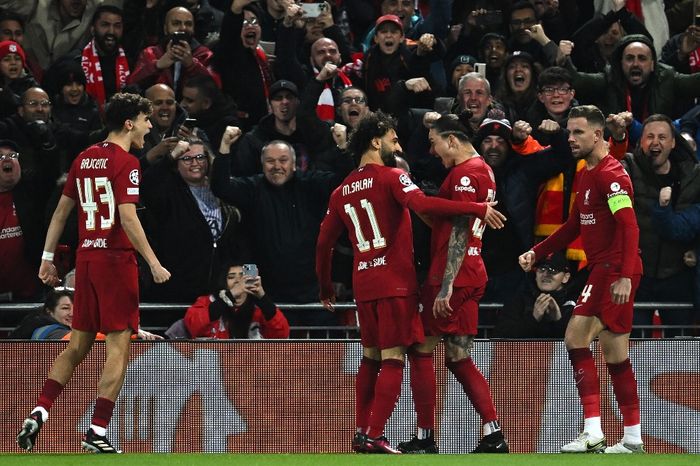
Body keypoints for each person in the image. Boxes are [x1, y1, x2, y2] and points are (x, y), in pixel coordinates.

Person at [315, 111, 502, 454]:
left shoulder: (340, 190)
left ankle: (365, 431)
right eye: (394, 139)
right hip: (397, 283)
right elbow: (422, 202)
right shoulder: (393, 177)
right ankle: (380, 434)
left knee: (371, 358)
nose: (399, 145)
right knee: (396, 357)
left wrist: (326, 287)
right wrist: (476, 208)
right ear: (376, 141)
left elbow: (324, 243)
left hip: (363, 284)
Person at [16, 92, 171, 454]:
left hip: (86, 261)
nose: (150, 128)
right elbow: (128, 217)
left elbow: (60, 213)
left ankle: (40, 411)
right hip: (116, 262)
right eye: (146, 120)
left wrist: (47, 258)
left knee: (77, 346)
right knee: (118, 348)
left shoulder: (84, 157)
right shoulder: (127, 162)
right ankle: (97, 432)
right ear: (130, 122)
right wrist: (153, 261)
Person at [518, 105, 644, 454]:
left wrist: (624, 276)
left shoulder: (611, 174)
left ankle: (593, 431)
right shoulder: (587, 174)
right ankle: (632, 438)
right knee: (615, 356)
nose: (569, 138)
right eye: (568, 132)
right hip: (607, 268)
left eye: (577, 133)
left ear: (598, 135)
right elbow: (573, 226)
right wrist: (538, 252)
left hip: (613, 268)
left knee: (575, 337)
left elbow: (629, 225)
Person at [397, 113, 508, 454]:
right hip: (474, 272)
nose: (433, 152)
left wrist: (445, 286)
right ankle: (493, 433)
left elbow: (459, 228)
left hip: (453, 275)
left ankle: (426, 436)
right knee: (459, 356)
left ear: (452, 140)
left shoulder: (463, 175)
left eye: (434, 143)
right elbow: (446, 222)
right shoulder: (484, 172)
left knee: (420, 348)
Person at [183, 263, 290, 339]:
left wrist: (262, 297)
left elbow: (281, 335)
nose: (238, 281)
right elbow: (194, 326)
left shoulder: (260, 309)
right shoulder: (208, 302)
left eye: (243, 276)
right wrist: (230, 295)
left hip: (251, 366)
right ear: (223, 282)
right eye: (231, 277)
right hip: (216, 365)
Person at [494, 251, 576, 338]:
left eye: (553, 270)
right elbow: (500, 336)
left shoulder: (574, 303)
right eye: (542, 269)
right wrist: (533, 318)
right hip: (524, 351)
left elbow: (580, 341)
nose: (545, 275)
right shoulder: (519, 299)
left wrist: (558, 320)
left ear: (565, 277)